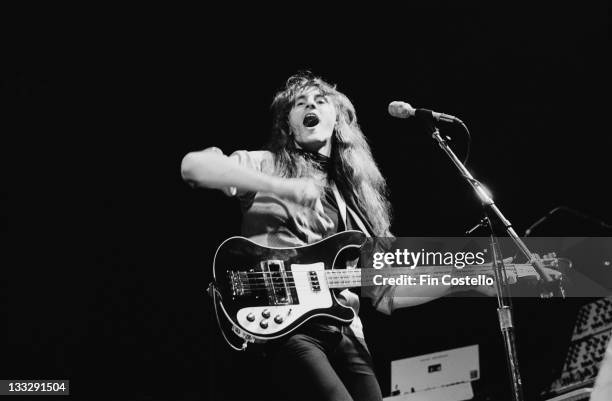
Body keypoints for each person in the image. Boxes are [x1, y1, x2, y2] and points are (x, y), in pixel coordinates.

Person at [181, 72, 490, 401]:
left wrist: (458, 279)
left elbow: (386, 291)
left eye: (319, 100)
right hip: (286, 327)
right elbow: (194, 167)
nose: (310, 104)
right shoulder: (266, 164)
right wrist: (281, 186)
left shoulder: (354, 204)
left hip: (346, 333)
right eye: (300, 103)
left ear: (339, 119)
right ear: (289, 126)